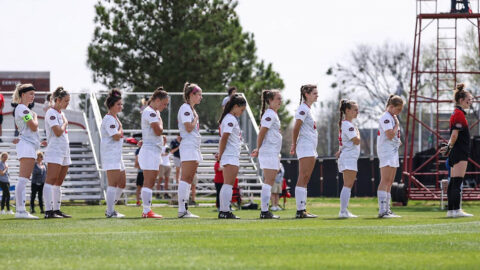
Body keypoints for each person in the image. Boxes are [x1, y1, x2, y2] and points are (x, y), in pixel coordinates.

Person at [441, 83, 474, 218]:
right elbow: (454, 135)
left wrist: (449, 147)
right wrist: (449, 147)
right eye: (468, 100)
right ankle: (456, 210)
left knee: (453, 181)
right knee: (457, 181)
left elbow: (454, 136)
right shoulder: (459, 114)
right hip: (460, 152)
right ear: (461, 100)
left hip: (456, 151)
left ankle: (451, 211)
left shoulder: (457, 113)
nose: (470, 102)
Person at [138, 87, 169, 218]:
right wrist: (161, 125)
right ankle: (146, 211)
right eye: (164, 104)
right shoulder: (151, 112)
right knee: (149, 181)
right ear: (156, 100)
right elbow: (158, 130)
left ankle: (147, 210)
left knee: (151, 181)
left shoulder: (154, 112)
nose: (165, 106)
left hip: (153, 150)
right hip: (150, 151)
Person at [251, 89, 283, 219]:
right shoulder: (269, 114)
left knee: (269, 181)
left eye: (280, 99)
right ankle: (264, 211)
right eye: (278, 99)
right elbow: (262, 132)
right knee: (268, 182)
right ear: (270, 101)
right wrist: (258, 148)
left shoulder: (272, 114)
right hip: (269, 151)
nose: (280, 101)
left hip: (272, 152)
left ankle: (265, 210)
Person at [12, 83, 41, 219]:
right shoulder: (22, 109)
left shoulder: (23, 109)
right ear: (23, 95)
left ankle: (21, 210)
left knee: (24, 179)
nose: (32, 97)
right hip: (26, 145)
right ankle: (20, 211)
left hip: (29, 145)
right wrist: (35, 117)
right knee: (23, 179)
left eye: (34, 94)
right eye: (30, 94)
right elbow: (33, 126)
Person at [290, 84, 319, 218]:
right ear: (306, 94)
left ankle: (303, 209)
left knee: (306, 177)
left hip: (310, 147)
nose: (317, 95)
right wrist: (293, 144)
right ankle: (300, 210)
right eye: (314, 93)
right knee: (303, 176)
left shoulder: (308, 109)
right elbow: (296, 128)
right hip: (305, 146)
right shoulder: (303, 108)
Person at [43, 86, 72, 219]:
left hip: (64, 149)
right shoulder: (51, 112)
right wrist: (65, 123)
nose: (68, 103)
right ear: (58, 100)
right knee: (51, 180)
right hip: (55, 150)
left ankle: (57, 209)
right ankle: (48, 211)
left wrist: (64, 121)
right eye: (66, 100)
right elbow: (58, 131)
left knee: (59, 181)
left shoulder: (61, 113)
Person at [176, 82, 203, 218]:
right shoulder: (185, 108)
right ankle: (182, 209)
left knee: (189, 178)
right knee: (186, 178)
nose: (200, 97)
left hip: (193, 146)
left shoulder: (191, 109)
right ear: (191, 95)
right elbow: (188, 127)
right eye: (199, 94)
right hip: (189, 146)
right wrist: (196, 119)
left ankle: (184, 208)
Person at [217, 94, 246, 219]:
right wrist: (221, 154)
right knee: (228, 184)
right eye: (241, 109)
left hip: (232, 154)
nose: (242, 112)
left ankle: (225, 210)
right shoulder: (230, 118)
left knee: (228, 184)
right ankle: (224, 211)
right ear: (235, 106)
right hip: (230, 154)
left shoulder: (231, 118)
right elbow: (224, 138)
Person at [377, 94, 404, 218]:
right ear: (391, 107)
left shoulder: (392, 117)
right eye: (398, 109)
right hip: (386, 152)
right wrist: (397, 125)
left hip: (393, 152)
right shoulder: (386, 117)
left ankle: (387, 209)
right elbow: (389, 134)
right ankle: (382, 210)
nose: (399, 112)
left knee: (390, 182)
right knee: (385, 180)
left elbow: (393, 137)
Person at [101, 89, 126, 218]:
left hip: (117, 154)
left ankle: (111, 208)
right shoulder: (109, 119)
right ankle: (110, 211)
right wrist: (121, 128)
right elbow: (116, 136)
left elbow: (119, 137)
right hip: (110, 154)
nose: (121, 106)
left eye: (121, 104)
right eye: (118, 104)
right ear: (111, 105)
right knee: (113, 183)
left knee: (122, 183)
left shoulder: (115, 119)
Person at [335, 99, 360, 218]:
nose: (357, 112)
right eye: (355, 110)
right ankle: (343, 211)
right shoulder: (348, 125)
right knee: (347, 185)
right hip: (349, 157)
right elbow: (356, 140)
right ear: (347, 110)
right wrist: (358, 132)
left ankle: (344, 210)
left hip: (349, 156)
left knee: (348, 185)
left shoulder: (346, 124)